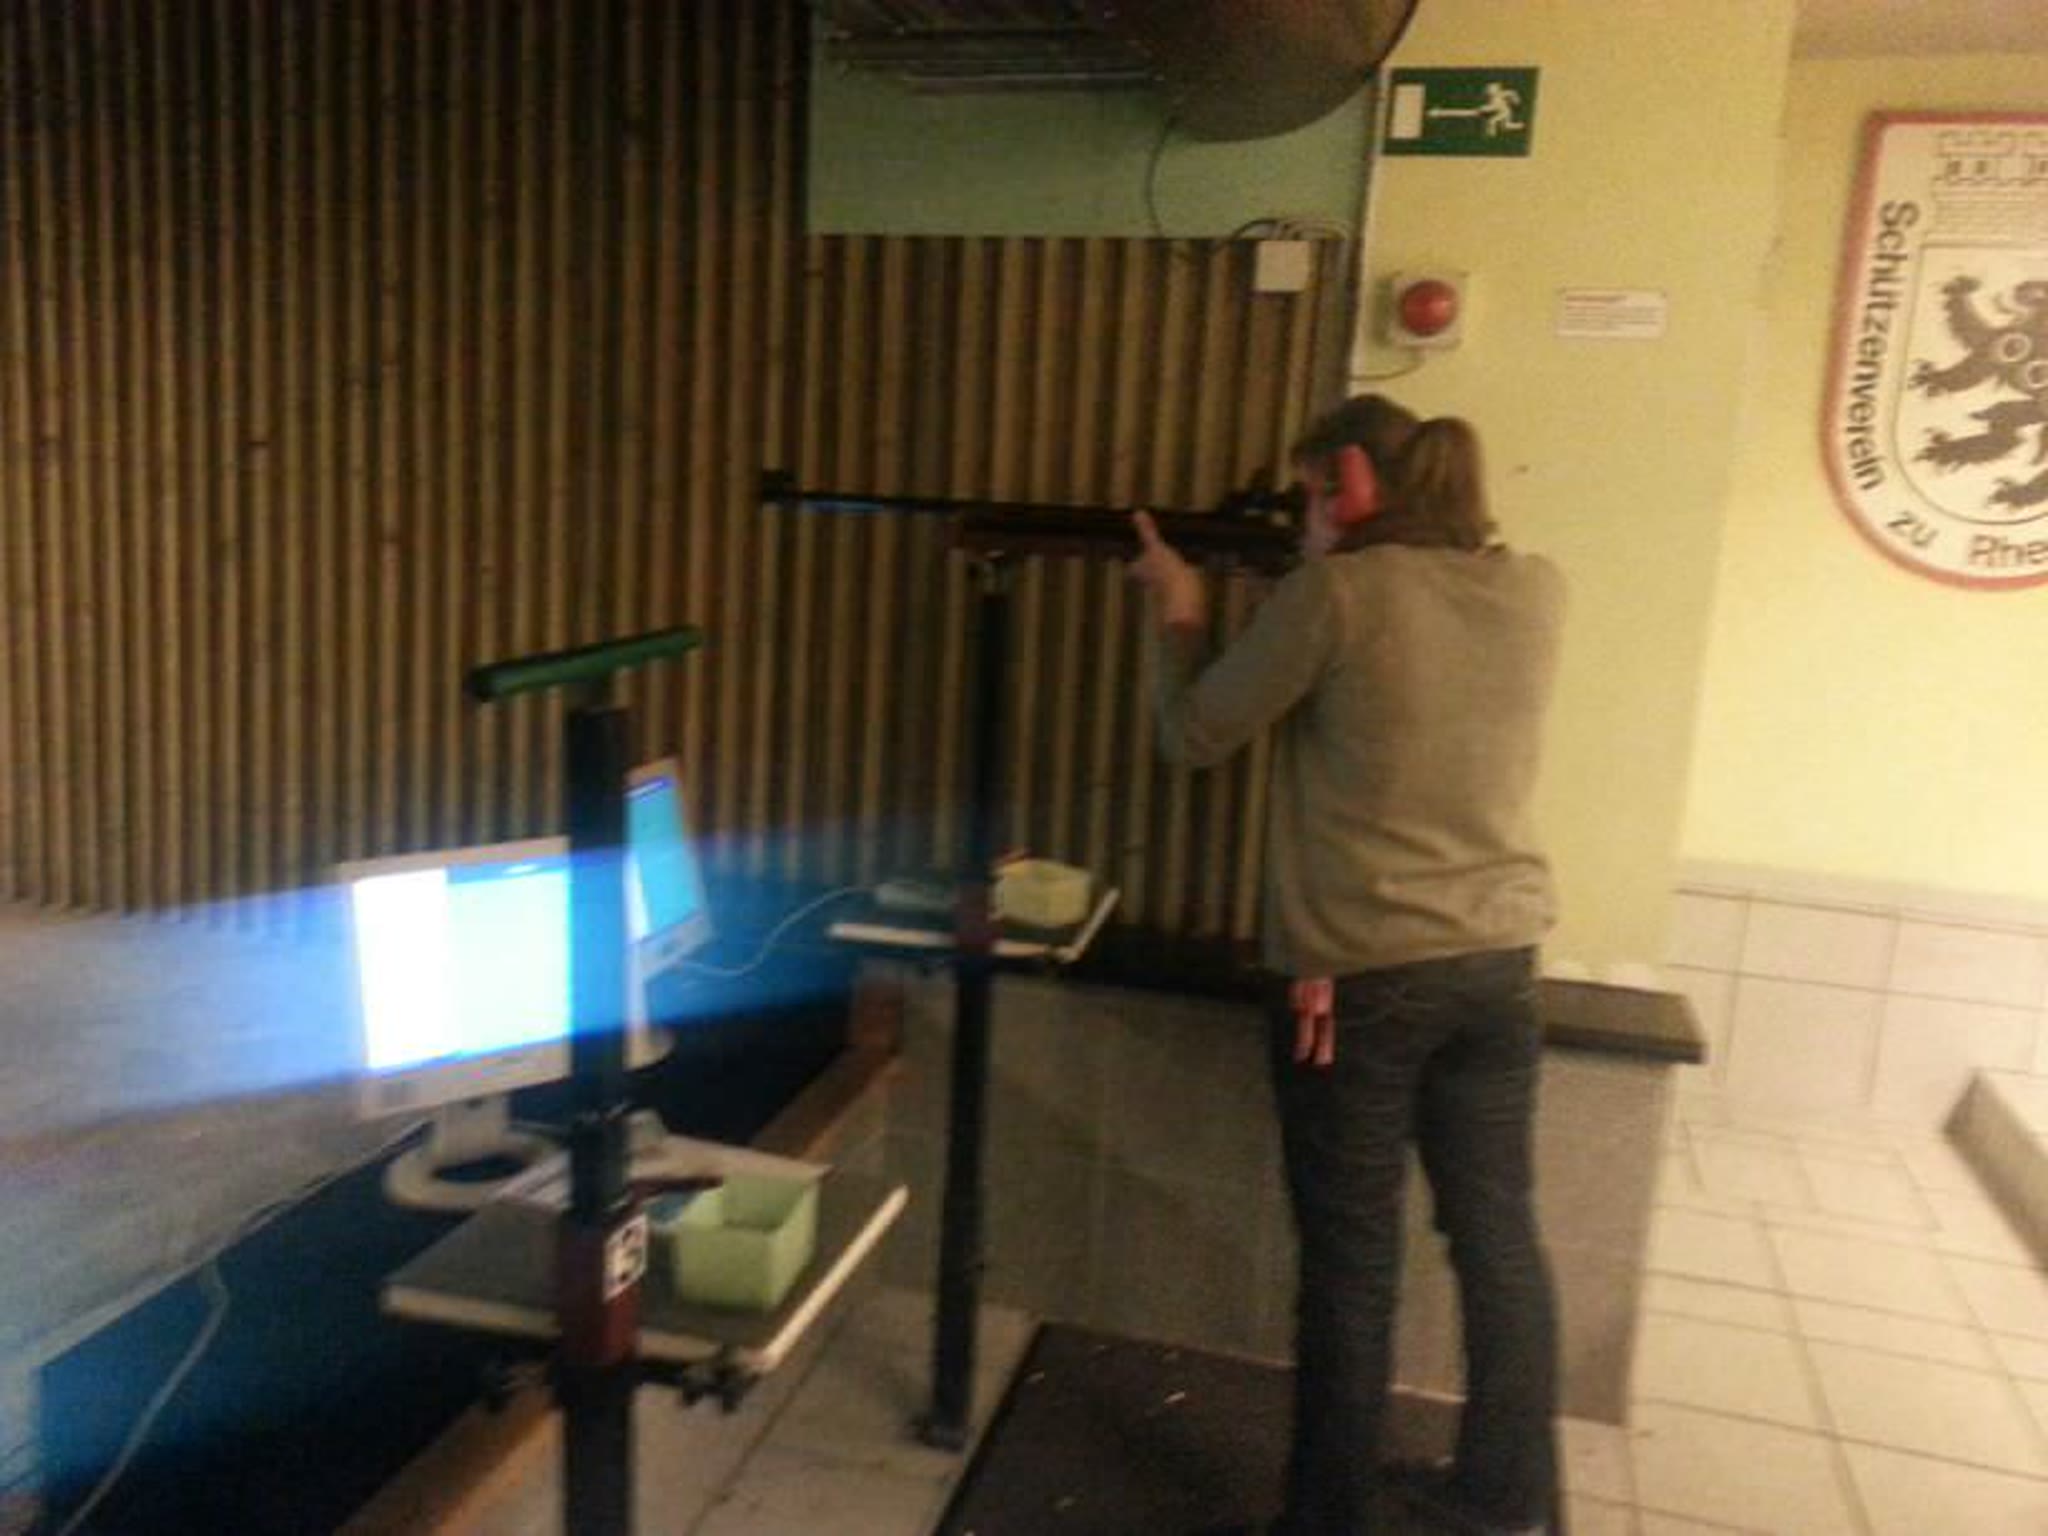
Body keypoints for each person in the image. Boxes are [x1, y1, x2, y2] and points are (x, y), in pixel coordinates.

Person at [1127, 394, 1566, 1536]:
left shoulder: (1338, 594)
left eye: (1313, 492)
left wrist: (1180, 609)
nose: (1305, 515)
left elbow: (1193, 735)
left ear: (1355, 481)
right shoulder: (1534, 588)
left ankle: (1325, 1521)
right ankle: (1504, 1496)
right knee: (1498, 1241)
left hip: (1359, 982)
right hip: (1500, 965)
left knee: (1352, 1265)